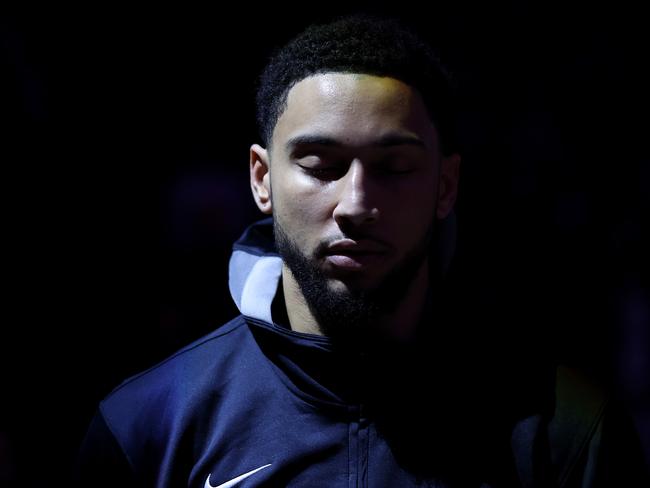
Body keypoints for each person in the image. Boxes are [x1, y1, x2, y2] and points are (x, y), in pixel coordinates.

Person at [76, 14, 648, 487]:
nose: (355, 202)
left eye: (395, 167)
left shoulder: (564, 429)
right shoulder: (149, 426)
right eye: (321, 165)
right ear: (261, 179)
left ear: (446, 186)